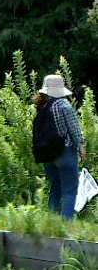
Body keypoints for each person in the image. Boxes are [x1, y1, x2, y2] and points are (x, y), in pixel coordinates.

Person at [33, 74, 87, 220]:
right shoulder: (64, 105)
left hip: (48, 154)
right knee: (70, 189)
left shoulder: (41, 106)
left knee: (55, 188)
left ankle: (52, 224)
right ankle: (66, 224)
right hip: (65, 152)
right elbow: (74, 129)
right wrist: (81, 147)